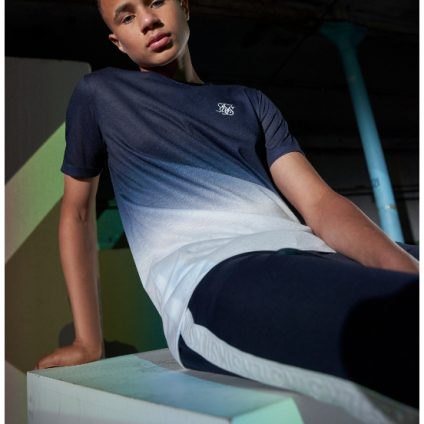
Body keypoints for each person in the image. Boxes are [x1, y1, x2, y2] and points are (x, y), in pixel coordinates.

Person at [37, 0, 419, 420]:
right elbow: (77, 213)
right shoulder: (101, 93)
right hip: (212, 273)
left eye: (156, 1)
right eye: (127, 17)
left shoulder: (248, 100)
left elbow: (318, 202)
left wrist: (397, 263)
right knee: (400, 324)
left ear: (183, 7)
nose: (147, 21)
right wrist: (89, 341)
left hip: (315, 250)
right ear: (118, 42)